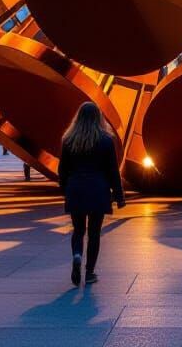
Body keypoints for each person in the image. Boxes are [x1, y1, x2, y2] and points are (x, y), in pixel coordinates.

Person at [58, 102, 124, 287]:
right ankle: (89, 272)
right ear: (98, 118)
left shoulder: (68, 140)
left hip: (76, 189)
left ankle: (77, 255)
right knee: (94, 233)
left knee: (78, 230)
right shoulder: (105, 140)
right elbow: (112, 171)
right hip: (98, 190)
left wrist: (65, 189)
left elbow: (63, 169)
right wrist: (119, 196)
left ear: (78, 118)